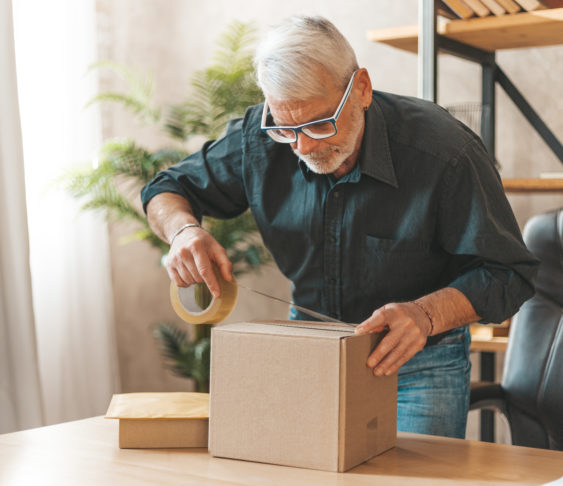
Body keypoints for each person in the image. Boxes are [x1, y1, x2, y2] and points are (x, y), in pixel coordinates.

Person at [141, 15, 538, 438]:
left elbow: (509, 274)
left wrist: (425, 314)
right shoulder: (260, 137)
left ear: (361, 88)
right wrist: (183, 231)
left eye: (318, 123)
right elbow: (166, 189)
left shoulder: (445, 152)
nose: (304, 147)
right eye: (286, 129)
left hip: (419, 363)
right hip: (309, 352)